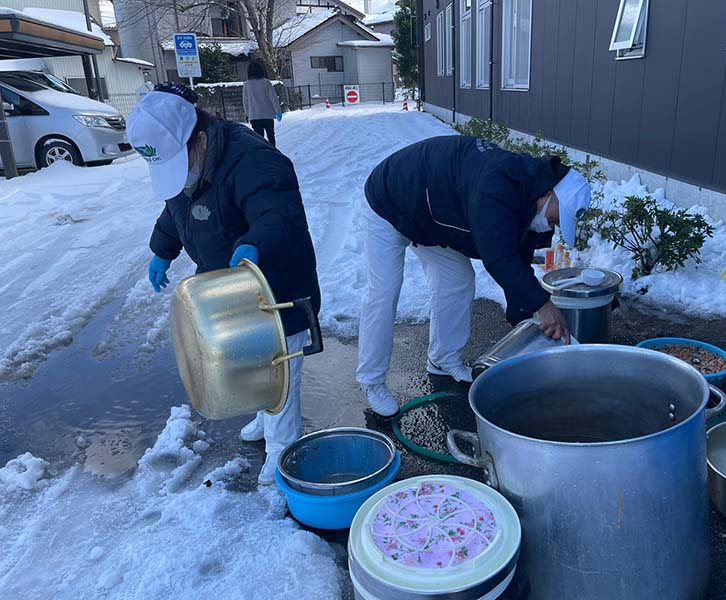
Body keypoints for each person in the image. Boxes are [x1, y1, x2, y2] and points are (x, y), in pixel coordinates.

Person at [128, 82, 321, 485]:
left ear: (199, 138)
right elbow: (174, 213)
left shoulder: (253, 160)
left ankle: (282, 445)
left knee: (278, 366)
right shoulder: (190, 168)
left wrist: (255, 242)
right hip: (230, 287)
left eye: (178, 166)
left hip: (277, 287)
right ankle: (262, 413)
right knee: (248, 356)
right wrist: (162, 249)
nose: (178, 181)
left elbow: (278, 214)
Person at [357, 135, 591, 417]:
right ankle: (372, 381)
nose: (552, 224)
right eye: (555, 217)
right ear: (549, 192)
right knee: (384, 292)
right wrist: (545, 307)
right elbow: (499, 257)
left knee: (457, 280)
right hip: (390, 199)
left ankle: (443, 359)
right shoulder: (497, 184)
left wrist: (527, 324)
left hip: (431, 217)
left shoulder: (529, 199)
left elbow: (518, 263)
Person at [242, 60, 282, 146]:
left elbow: (245, 101)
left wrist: (247, 113)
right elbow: (273, 98)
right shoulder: (266, 82)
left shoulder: (246, 85)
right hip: (268, 115)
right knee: (271, 136)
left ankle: (263, 156)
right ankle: (273, 154)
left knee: (259, 138)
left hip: (254, 116)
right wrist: (278, 111)